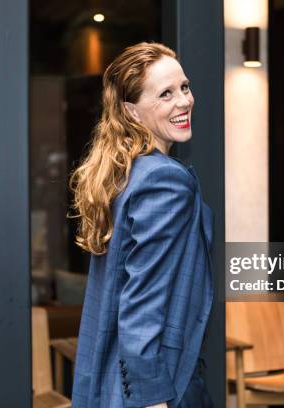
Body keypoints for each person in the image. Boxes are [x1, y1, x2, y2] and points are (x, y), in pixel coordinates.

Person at [69, 42, 214, 408]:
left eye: (184, 87)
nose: (183, 102)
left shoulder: (127, 173)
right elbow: (142, 304)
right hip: (159, 385)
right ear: (131, 112)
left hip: (116, 378)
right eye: (165, 94)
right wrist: (153, 399)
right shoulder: (165, 180)